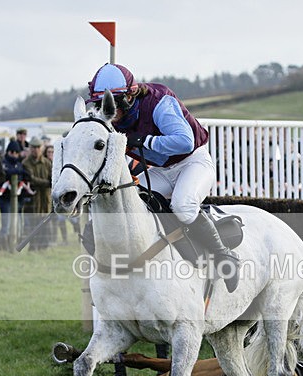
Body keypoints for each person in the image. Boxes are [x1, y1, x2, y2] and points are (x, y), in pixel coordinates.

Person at [86, 63, 240, 292]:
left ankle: (224, 256)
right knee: (132, 204)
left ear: (129, 97)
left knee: (182, 205)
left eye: (112, 103)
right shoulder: (108, 119)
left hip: (193, 161)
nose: (107, 110)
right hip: (161, 169)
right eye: (100, 104)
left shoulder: (159, 102)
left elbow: (184, 141)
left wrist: (145, 141)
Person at [21, 136, 51, 250]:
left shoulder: (47, 163)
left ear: (41, 148)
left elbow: (53, 180)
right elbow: (30, 179)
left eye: (38, 147)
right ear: (30, 149)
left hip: (45, 198)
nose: (35, 150)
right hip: (33, 199)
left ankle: (44, 246)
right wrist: (46, 182)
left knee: (44, 224)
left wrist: (46, 183)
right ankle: (33, 246)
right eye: (33, 147)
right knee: (33, 225)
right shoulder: (25, 163)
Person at [0, 140, 30, 248]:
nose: (13, 154)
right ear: (7, 152)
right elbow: (6, 173)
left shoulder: (19, 164)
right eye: (11, 152)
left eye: (16, 152)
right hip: (6, 198)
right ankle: (4, 245)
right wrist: (19, 172)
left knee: (18, 223)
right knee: (6, 224)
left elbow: (24, 176)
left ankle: (16, 243)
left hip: (18, 198)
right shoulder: (3, 163)